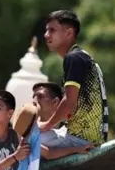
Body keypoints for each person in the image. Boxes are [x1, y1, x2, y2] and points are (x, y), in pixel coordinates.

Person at [37, 10, 109, 150]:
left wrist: (47, 125)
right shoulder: (82, 56)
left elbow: (69, 102)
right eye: (46, 31)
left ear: (68, 33)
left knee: (27, 142)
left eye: (52, 30)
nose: (46, 35)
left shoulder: (73, 58)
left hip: (81, 139)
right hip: (82, 134)